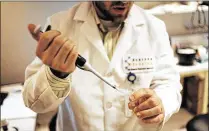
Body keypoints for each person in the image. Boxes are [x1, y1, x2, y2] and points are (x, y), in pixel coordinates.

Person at [23, 1, 182, 131]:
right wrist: (56, 75)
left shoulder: (154, 27)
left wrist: (160, 102)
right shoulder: (60, 24)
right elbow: (35, 103)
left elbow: (169, 84)